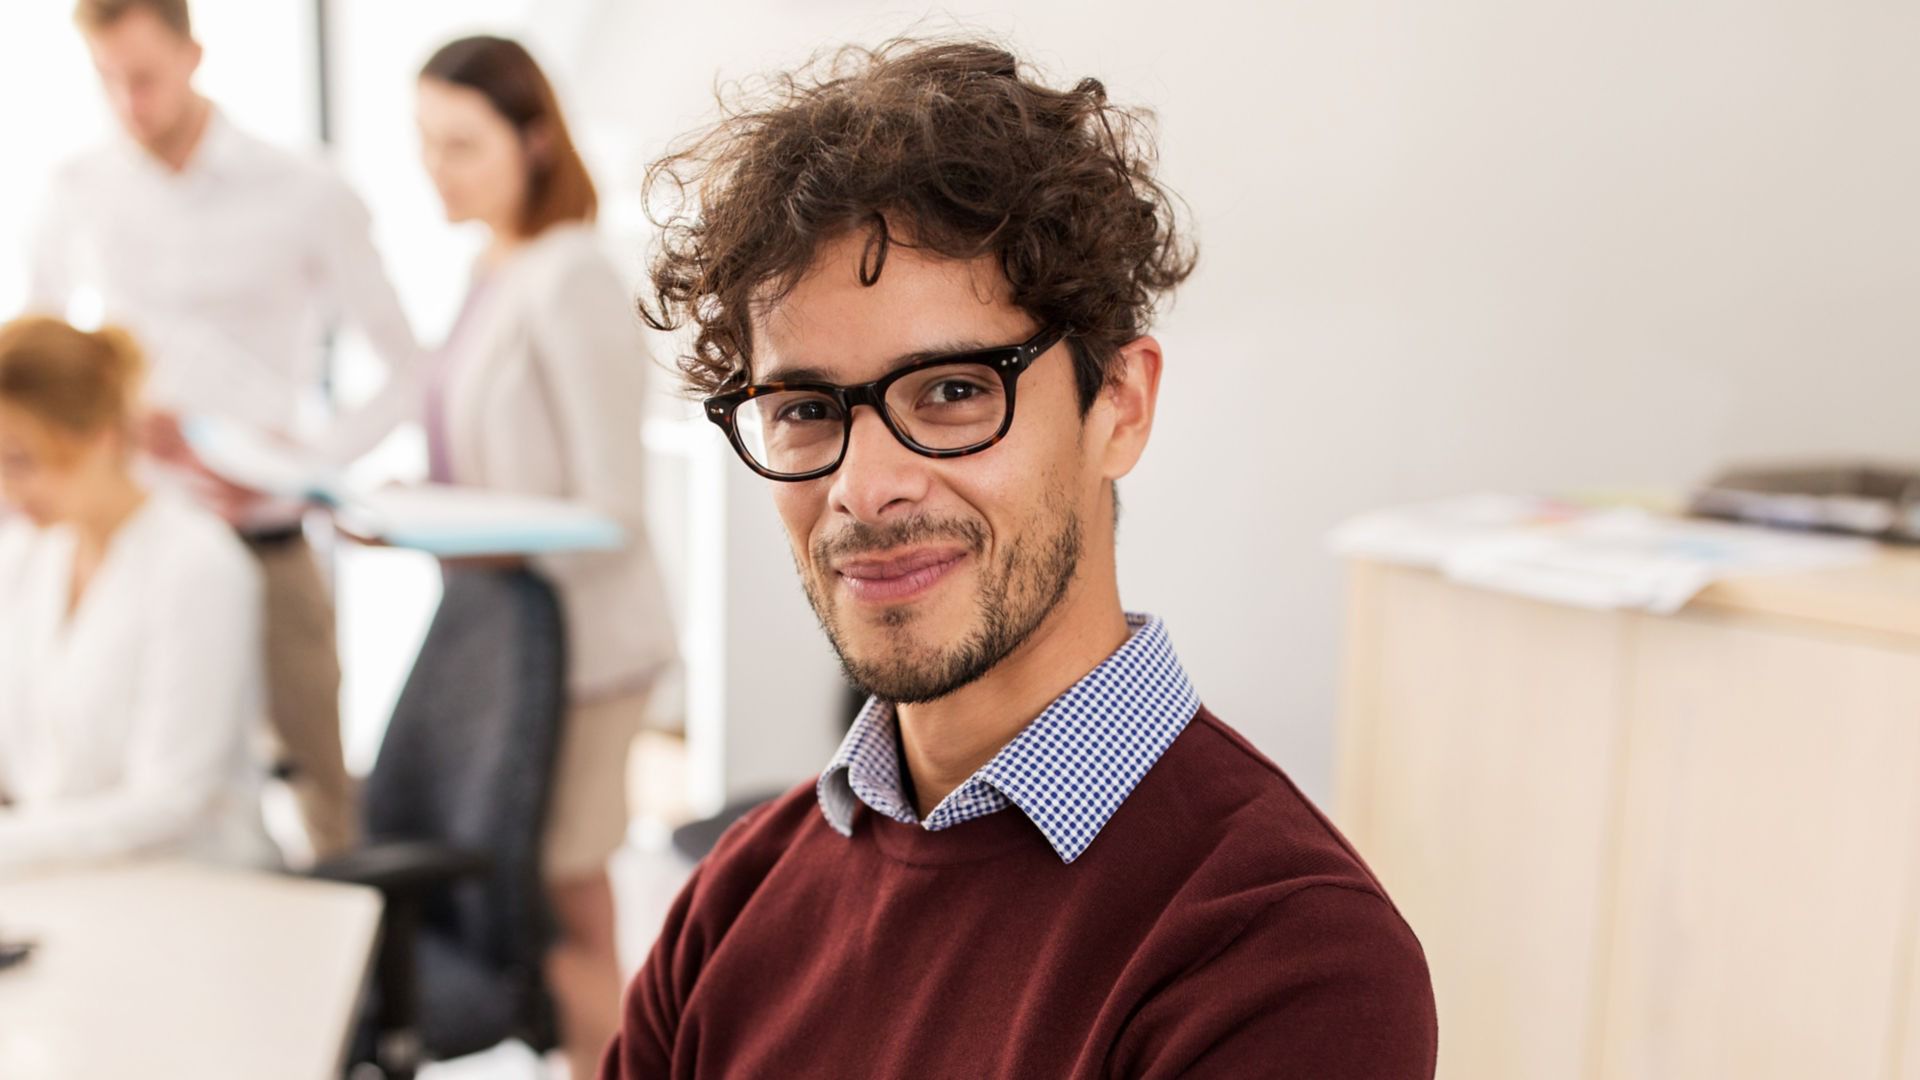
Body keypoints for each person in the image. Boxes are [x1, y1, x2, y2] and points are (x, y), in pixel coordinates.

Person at [604, 39, 1438, 1078]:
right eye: (808, 410)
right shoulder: (733, 899)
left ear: (1119, 408)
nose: (865, 488)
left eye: (952, 391)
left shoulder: (1286, 960)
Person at [28, 0, 425, 860]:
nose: (127, 102)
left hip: (266, 537)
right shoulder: (76, 191)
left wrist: (301, 466)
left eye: (144, 78)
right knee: (133, 782)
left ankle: (356, 979)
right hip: (139, 547)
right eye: (106, 79)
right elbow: (35, 369)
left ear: (194, 54)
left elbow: (407, 368)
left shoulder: (305, 189)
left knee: (323, 787)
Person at [411, 36, 678, 1078]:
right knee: (543, 898)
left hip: (586, 644)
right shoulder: (494, 267)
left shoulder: (571, 273)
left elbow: (610, 504)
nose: (438, 168)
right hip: (514, 639)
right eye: (425, 144)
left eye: (462, 144)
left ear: (533, 141)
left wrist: (443, 527)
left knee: (572, 893)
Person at [0, 315, 275, 877]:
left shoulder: (196, 565)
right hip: (66, 877)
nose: (6, 488)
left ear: (101, 439)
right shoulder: (28, 553)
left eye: (21, 462)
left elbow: (169, 803)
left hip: (190, 883)